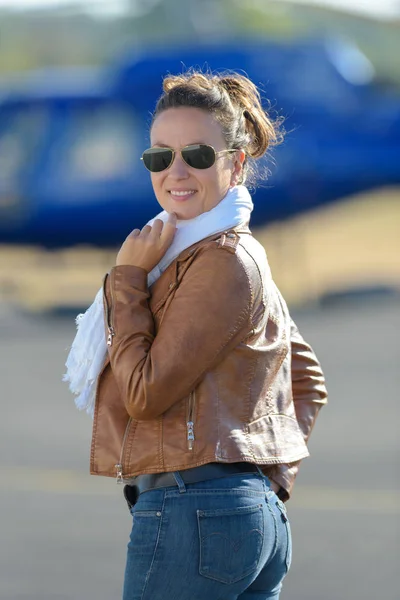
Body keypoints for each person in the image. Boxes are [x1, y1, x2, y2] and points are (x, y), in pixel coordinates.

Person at [64, 70, 328, 600]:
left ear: (236, 162)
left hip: (194, 510)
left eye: (198, 155)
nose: (175, 171)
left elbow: (145, 393)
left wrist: (129, 280)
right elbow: (309, 381)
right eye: (160, 156)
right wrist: (263, 489)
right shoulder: (206, 251)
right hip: (228, 514)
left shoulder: (221, 261)